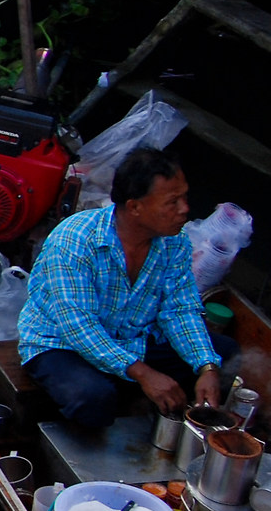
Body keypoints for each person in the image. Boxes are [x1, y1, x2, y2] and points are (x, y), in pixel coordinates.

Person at [18, 147, 223, 428]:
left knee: (224, 353)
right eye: (172, 202)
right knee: (93, 399)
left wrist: (206, 366)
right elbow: (79, 327)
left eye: (184, 197)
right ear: (135, 207)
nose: (185, 209)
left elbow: (180, 310)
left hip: (130, 339)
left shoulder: (174, 242)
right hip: (63, 344)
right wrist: (143, 374)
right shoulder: (75, 240)